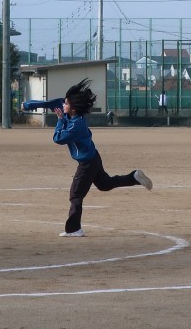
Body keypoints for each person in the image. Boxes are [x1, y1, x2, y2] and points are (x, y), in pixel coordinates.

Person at [51, 79, 153, 237]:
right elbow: (68, 124)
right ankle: (133, 177)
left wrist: (59, 121)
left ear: (73, 108)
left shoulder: (76, 125)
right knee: (105, 184)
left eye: (66, 103)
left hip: (87, 163)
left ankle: (74, 229)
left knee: (75, 195)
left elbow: (58, 138)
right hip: (93, 158)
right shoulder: (76, 119)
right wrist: (63, 118)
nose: (63, 105)